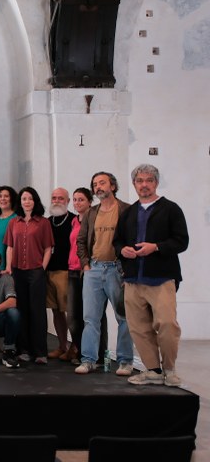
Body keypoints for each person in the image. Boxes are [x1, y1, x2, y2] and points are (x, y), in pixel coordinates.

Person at [115, 164, 189, 387]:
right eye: (140, 181)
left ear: (156, 183)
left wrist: (156, 247)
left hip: (161, 278)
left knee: (167, 324)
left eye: (149, 180)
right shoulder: (128, 213)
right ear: (134, 184)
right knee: (139, 328)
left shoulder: (171, 209)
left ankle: (170, 369)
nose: (144, 185)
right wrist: (122, 250)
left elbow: (181, 241)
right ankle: (153, 371)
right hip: (132, 280)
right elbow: (117, 241)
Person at [74, 171, 134, 376]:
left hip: (117, 269)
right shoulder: (92, 212)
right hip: (94, 269)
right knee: (90, 319)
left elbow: (132, 240)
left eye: (102, 183)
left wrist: (128, 271)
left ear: (113, 186)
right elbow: (81, 240)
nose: (98, 187)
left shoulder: (126, 210)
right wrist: (86, 265)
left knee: (124, 317)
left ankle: (125, 361)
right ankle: (88, 360)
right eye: (95, 184)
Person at [4, 186, 53, 364]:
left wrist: (42, 268)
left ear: (35, 201)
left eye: (30, 198)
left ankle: (40, 352)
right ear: (20, 202)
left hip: (36, 272)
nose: (27, 202)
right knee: (21, 310)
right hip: (18, 272)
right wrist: (9, 267)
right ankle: (24, 350)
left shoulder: (43, 223)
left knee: (37, 311)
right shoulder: (13, 223)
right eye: (24, 199)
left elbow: (48, 248)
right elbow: (10, 247)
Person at [66, 187, 108, 365]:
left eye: (81, 199)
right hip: (72, 271)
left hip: (89, 271)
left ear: (90, 201)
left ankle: (99, 355)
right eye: (75, 199)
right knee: (73, 317)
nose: (77, 203)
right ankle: (82, 350)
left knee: (94, 315)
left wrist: (88, 265)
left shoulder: (94, 219)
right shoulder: (74, 221)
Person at [46, 188, 76, 359]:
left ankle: (75, 347)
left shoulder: (74, 221)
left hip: (66, 273)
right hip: (49, 272)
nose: (57, 201)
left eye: (61, 198)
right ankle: (62, 345)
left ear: (68, 201)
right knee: (56, 312)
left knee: (71, 313)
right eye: (54, 198)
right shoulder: (47, 222)